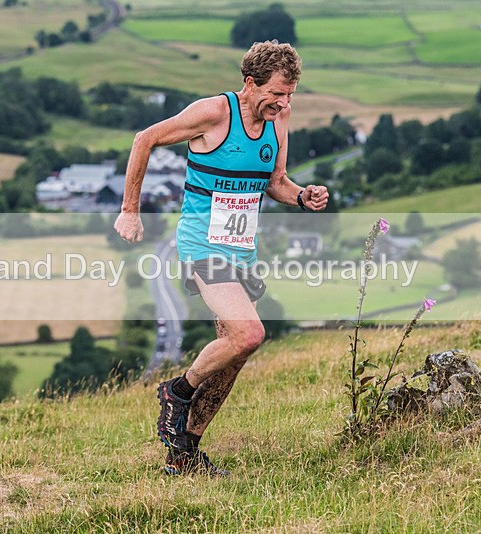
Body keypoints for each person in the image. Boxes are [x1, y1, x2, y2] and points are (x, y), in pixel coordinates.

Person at [114, 41, 329, 476]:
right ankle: (177, 391)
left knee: (233, 355)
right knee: (249, 333)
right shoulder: (214, 113)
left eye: (290, 94)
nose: (284, 103)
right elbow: (145, 139)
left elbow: (276, 182)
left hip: (241, 251)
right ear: (249, 84)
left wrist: (302, 196)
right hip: (201, 246)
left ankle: (183, 453)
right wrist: (130, 210)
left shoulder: (278, 119)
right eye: (277, 93)